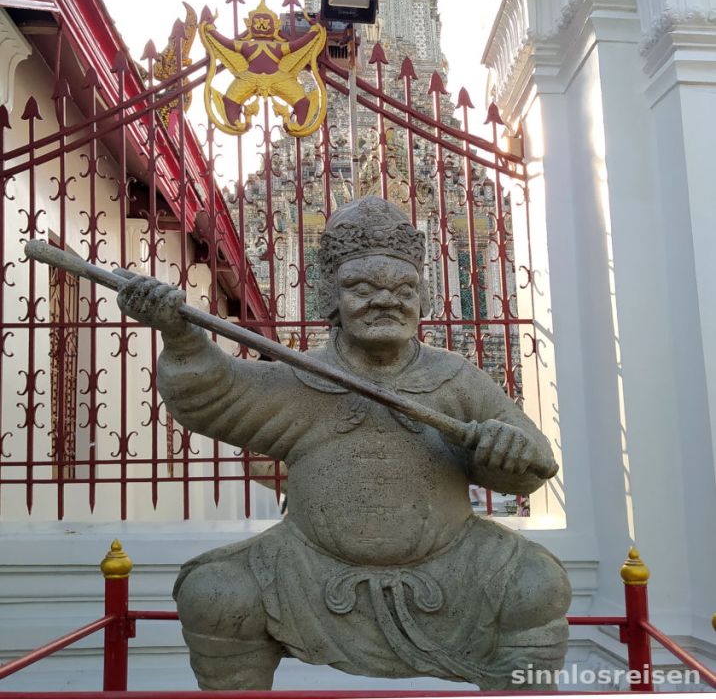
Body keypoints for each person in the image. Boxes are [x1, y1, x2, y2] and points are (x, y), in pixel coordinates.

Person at [117, 197, 570, 691]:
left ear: (424, 299)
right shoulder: (304, 380)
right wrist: (182, 339)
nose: (385, 301)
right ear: (330, 299)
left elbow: (532, 461)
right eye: (361, 288)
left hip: (453, 564)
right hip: (306, 569)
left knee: (537, 585)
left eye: (404, 290)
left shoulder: (456, 379)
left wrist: (506, 450)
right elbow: (217, 397)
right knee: (214, 592)